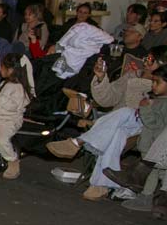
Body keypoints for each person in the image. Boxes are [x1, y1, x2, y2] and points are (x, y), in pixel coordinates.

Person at [46, 70, 167, 200]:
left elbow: (157, 126)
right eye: (153, 81)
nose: (152, 85)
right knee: (116, 135)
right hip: (127, 124)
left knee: (125, 112)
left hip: (146, 132)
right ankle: (101, 185)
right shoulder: (151, 94)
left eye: (157, 82)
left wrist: (145, 108)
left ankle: (78, 142)